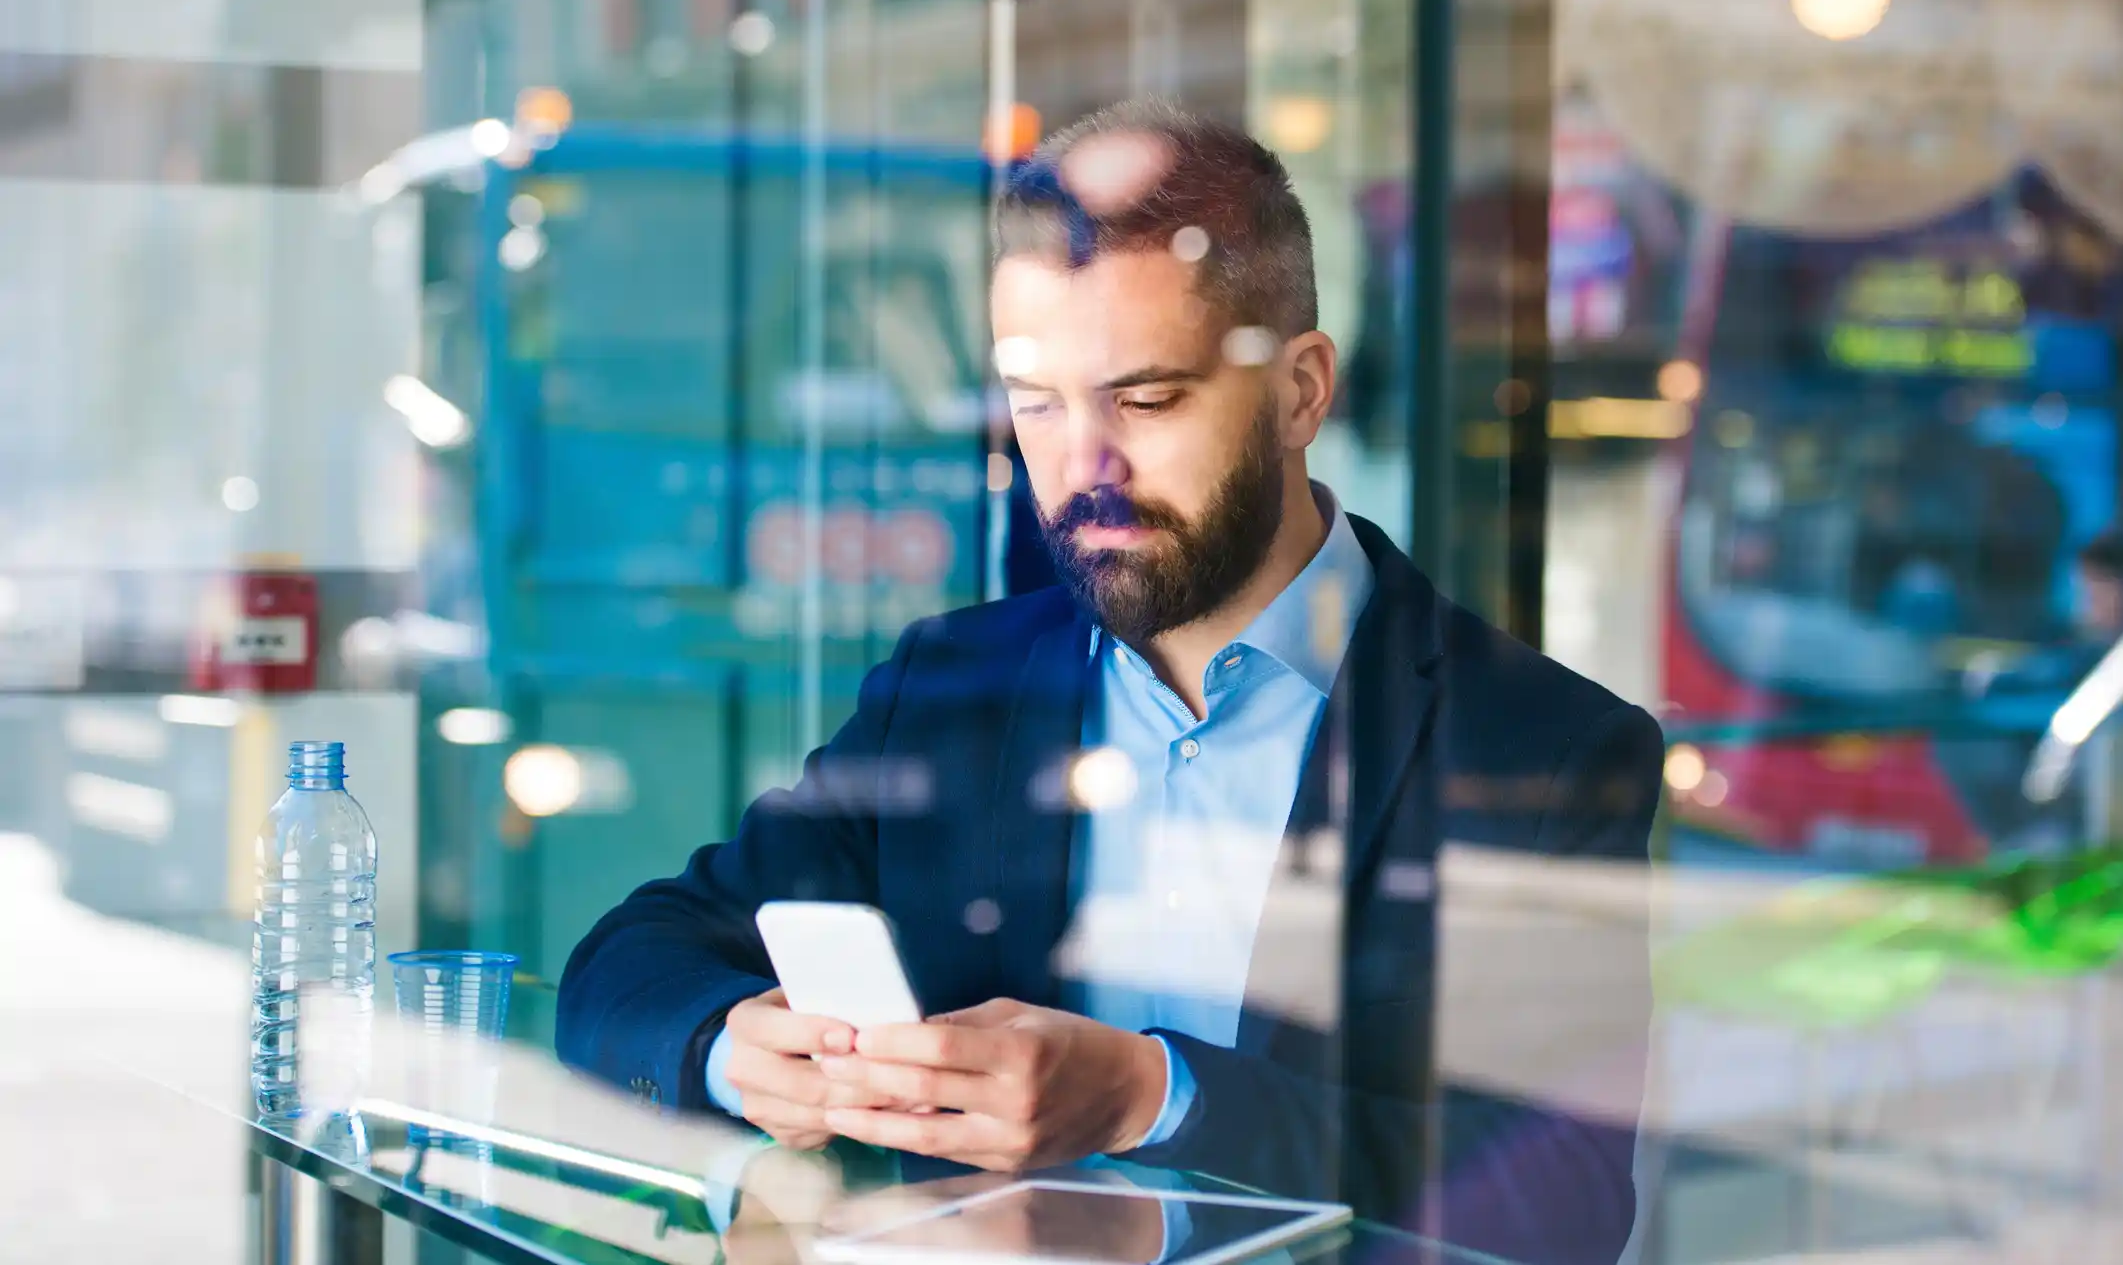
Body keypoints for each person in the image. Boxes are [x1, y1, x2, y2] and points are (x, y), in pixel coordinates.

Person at [558, 101, 1664, 1264]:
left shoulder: (1543, 744)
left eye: (1144, 401)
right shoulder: (948, 684)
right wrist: (734, 1050)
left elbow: (1563, 1207)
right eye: (1035, 405)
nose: (1083, 470)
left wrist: (1156, 1095)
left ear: (1299, 392)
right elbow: (630, 963)